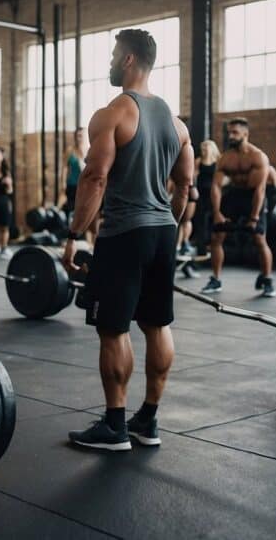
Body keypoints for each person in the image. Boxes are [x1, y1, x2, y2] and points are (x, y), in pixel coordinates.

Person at [63, 28, 193, 452]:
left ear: (130, 60)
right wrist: (167, 224)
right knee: (157, 323)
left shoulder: (113, 113)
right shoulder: (177, 124)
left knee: (113, 327)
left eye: (114, 54)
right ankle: (148, 420)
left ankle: (115, 425)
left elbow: (96, 177)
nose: (110, 62)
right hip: (162, 233)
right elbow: (185, 185)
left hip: (124, 234)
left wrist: (72, 235)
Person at [201, 118, 276, 297]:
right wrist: (218, 213)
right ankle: (216, 279)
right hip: (234, 195)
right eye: (229, 132)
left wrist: (255, 217)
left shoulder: (258, 156)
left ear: (245, 134)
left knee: (259, 239)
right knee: (216, 236)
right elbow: (216, 187)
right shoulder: (226, 158)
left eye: (235, 132)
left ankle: (267, 279)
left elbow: (260, 189)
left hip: (253, 197)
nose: (231, 136)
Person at [192, 139, 221, 251]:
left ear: (211, 148)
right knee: (201, 218)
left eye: (205, 148)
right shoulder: (198, 161)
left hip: (213, 193)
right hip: (200, 193)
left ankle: (212, 244)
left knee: (212, 217)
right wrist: (194, 188)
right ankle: (201, 245)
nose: (203, 150)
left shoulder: (218, 161)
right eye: (202, 148)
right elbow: (193, 177)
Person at [61, 127, 87, 213]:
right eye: (76, 136)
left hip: (84, 186)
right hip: (72, 184)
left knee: (83, 209)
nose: (78, 138)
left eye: (80, 136)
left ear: (84, 137)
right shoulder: (70, 150)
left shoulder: (88, 150)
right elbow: (64, 167)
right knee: (72, 208)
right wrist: (63, 183)